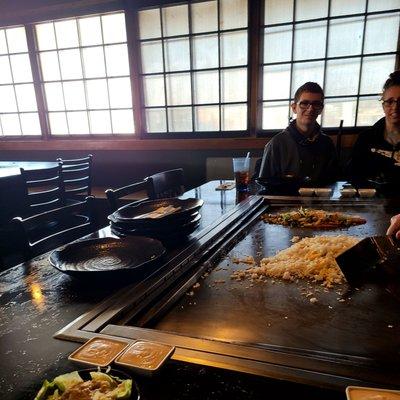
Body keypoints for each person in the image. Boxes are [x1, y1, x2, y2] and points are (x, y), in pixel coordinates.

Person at [258, 82, 338, 185]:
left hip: (319, 200)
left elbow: (333, 183)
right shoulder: (277, 143)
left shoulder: (327, 143)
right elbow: (264, 185)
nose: (310, 109)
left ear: (321, 109)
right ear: (294, 107)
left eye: (316, 104)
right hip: (286, 200)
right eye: (304, 103)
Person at [347, 70, 400, 186]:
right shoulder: (366, 138)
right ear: (383, 105)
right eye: (390, 101)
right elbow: (353, 176)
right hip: (372, 201)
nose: (395, 107)